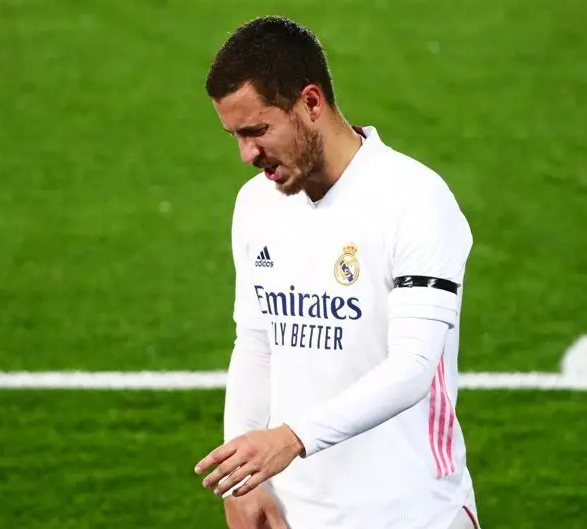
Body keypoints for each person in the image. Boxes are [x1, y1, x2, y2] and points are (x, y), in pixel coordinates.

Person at [193, 15, 480, 529]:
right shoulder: (256, 205)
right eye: (234, 136)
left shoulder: (415, 200)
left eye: (257, 131)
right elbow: (256, 342)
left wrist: (291, 438)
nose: (246, 154)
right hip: (295, 514)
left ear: (310, 102)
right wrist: (244, 480)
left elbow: (413, 366)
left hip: (412, 513)